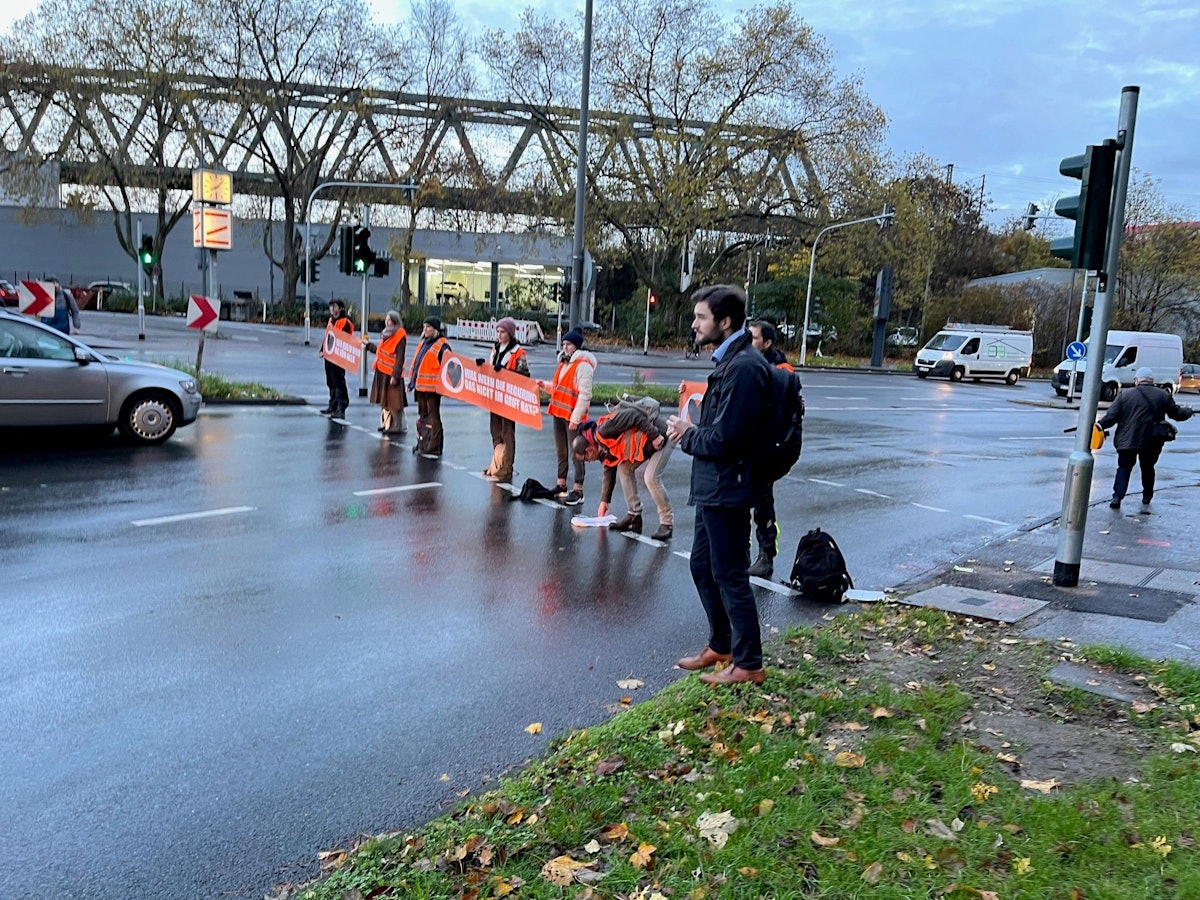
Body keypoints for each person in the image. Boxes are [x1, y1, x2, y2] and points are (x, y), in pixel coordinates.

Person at [666, 284, 771, 686]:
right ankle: (723, 644)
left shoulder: (744, 368)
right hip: (713, 486)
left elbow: (727, 438)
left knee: (729, 573)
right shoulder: (731, 362)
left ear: (724, 323)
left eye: (701, 317)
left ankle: (749, 663)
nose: (694, 324)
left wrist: (686, 434)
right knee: (702, 566)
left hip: (728, 487)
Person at [572, 396, 674, 541]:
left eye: (586, 458)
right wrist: (604, 501)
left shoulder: (604, 431)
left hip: (662, 435)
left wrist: (655, 435)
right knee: (624, 469)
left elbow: (633, 415)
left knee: (650, 477)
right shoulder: (603, 449)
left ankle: (666, 523)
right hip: (647, 445)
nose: (588, 462)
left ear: (589, 450)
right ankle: (634, 515)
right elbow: (609, 471)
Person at [1097, 366, 1194, 511]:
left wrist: (1098, 426)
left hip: (1127, 440)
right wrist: (1188, 411)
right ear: (1151, 381)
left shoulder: (1125, 395)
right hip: (1152, 440)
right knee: (1148, 467)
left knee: (1124, 467)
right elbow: (1176, 414)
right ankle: (1147, 496)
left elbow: (1111, 417)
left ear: (1137, 380)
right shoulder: (1162, 395)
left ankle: (1117, 497)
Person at [747, 320, 793, 577]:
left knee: (762, 500)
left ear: (767, 343)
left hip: (771, 446)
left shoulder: (781, 370)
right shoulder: (747, 362)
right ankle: (745, 549)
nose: (749, 341)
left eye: (753, 338)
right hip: (750, 443)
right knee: (742, 497)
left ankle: (766, 556)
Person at [537, 327, 596, 506]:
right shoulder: (564, 363)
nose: (565, 347)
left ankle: (578, 489)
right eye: (563, 344)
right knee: (561, 451)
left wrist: (575, 418)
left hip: (572, 417)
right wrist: (545, 386)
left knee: (577, 452)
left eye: (568, 344)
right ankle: (561, 484)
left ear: (576, 346)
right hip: (558, 413)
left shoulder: (583, 366)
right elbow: (558, 387)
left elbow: (585, 395)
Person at [483, 317, 530, 483]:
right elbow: (490, 369)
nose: (499, 334)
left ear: (509, 333)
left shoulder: (518, 352)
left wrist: (504, 372)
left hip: (508, 398)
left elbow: (524, 376)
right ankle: (497, 462)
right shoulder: (495, 349)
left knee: (507, 432)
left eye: (502, 332)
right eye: (498, 331)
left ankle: (507, 466)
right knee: (495, 430)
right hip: (494, 396)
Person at [408, 316, 451, 458]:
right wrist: (411, 383)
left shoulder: (442, 345)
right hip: (421, 387)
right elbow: (417, 364)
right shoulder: (424, 343)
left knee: (433, 418)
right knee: (423, 418)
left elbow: (449, 366)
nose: (425, 330)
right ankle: (423, 443)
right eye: (424, 327)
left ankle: (434, 445)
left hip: (432, 389)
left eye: (428, 327)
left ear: (436, 329)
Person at [363, 310, 408, 436]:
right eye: (386, 320)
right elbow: (381, 351)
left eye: (389, 320)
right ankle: (387, 424)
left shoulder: (400, 335)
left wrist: (395, 375)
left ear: (395, 321)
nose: (387, 323)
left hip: (391, 374)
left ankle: (397, 426)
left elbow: (400, 358)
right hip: (382, 372)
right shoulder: (386, 334)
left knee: (394, 402)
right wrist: (369, 346)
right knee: (385, 402)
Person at [319, 299, 354, 417]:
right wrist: (322, 349)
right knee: (331, 381)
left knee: (339, 381)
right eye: (331, 307)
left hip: (338, 356)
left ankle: (341, 407)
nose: (332, 309)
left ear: (340, 308)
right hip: (329, 355)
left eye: (334, 307)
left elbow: (345, 338)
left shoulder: (345, 321)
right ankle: (332, 405)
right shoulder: (331, 320)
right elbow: (328, 335)